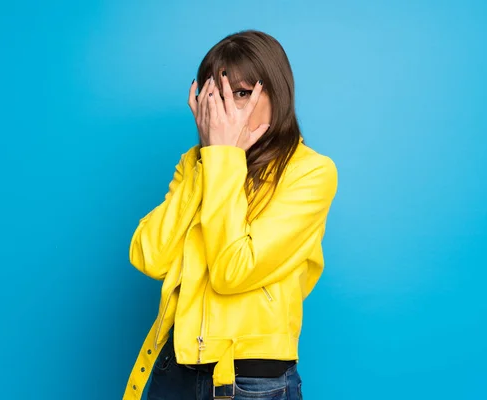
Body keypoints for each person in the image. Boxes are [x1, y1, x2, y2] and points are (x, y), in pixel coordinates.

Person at [123, 30, 338, 400]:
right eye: (215, 95)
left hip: (250, 381)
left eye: (241, 93)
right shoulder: (197, 163)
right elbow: (149, 256)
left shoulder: (311, 172)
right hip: (174, 369)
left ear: (277, 92)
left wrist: (223, 159)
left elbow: (231, 272)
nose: (226, 108)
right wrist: (211, 158)